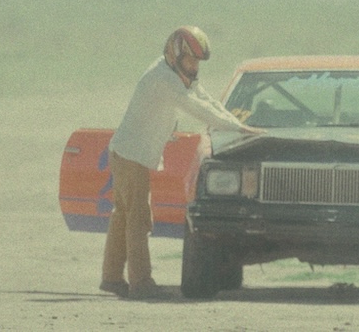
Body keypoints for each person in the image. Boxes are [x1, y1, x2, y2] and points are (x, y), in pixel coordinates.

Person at [101, 26, 261, 299]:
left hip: (128, 153)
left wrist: (235, 123)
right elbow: (196, 107)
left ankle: (112, 278)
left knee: (123, 218)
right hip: (131, 156)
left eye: (197, 61)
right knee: (138, 220)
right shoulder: (165, 79)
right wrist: (238, 129)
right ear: (176, 55)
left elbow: (205, 98)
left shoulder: (174, 73)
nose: (195, 66)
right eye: (191, 60)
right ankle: (141, 283)